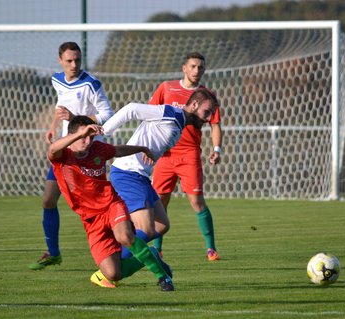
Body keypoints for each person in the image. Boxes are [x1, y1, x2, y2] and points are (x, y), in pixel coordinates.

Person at [48, 115, 174, 291]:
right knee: (113, 273)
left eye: (90, 137)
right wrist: (81, 133)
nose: (87, 141)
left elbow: (118, 150)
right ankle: (152, 254)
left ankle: (163, 278)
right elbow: (53, 148)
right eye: (83, 137)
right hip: (90, 219)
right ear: (72, 136)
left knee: (125, 237)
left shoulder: (98, 149)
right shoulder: (63, 156)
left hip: (111, 205)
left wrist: (142, 148)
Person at [102, 89, 218, 260]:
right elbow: (131, 108)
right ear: (194, 105)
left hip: (141, 176)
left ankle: (121, 253)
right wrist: (104, 131)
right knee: (147, 229)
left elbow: (153, 139)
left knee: (161, 225)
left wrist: (150, 152)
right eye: (206, 112)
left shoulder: (179, 125)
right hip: (128, 173)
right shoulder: (170, 113)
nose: (208, 119)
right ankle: (112, 263)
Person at [29, 42, 114, 270]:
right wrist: (54, 125)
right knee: (48, 200)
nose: (74, 64)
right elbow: (61, 107)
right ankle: (54, 253)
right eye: (69, 60)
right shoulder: (57, 79)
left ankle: (115, 251)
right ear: (60, 60)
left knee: (97, 206)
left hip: (87, 151)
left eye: (77, 60)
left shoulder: (91, 84)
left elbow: (107, 115)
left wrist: (76, 116)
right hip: (67, 150)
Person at [148, 52, 222, 261]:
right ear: (184, 68)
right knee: (159, 202)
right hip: (165, 153)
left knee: (197, 201)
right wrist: (149, 147)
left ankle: (211, 248)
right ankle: (157, 248)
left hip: (189, 154)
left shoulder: (207, 96)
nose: (197, 71)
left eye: (200, 67)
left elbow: (215, 125)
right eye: (193, 66)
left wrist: (217, 150)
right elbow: (151, 115)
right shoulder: (166, 88)